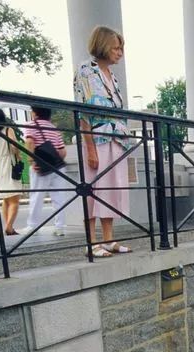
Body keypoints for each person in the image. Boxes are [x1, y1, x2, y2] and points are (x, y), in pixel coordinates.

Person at [73, 25, 132, 256]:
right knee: (93, 188)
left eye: (121, 48)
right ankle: (91, 243)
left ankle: (109, 239)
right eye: (116, 48)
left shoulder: (112, 77)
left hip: (116, 139)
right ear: (104, 46)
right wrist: (89, 148)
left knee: (111, 189)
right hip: (97, 138)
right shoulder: (86, 71)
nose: (120, 52)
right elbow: (83, 112)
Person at [23, 106, 68, 235]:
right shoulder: (53, 128)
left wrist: (32, 161)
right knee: (59, 197)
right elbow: (62, 151)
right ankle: (59, 227)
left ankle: (33, 226)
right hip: (58, 167)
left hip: (41, 166)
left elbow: (30, 142)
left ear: (35, 113)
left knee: (37, 195)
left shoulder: (32, 125)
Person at [0, 108, 23, 235]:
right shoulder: (8, 130)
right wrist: (19, 155)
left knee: (6, 199)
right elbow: (14, 146)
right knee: (14, 200)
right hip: (8, 164)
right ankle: (9, 226)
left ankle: (8, 226)